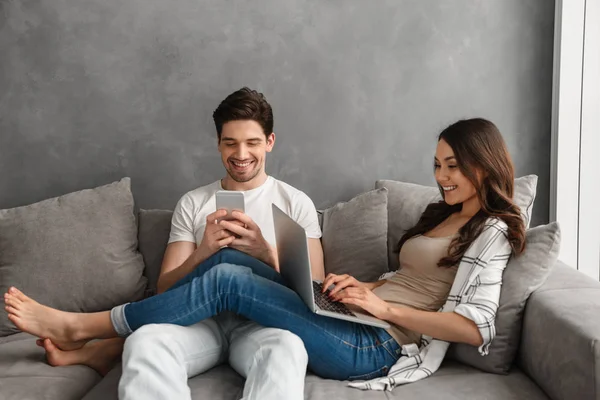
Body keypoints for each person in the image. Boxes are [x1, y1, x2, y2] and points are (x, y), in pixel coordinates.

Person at [4, 118, 526, 388]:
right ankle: (105, 348)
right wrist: (360, 290)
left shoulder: (494, 231)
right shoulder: (444, 215)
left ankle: (87, 327)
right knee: (228, 259)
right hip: (354, 316)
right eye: (437, 164)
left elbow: (476, 326)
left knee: (228, 279)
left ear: (485, 163)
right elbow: (412, 278)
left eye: (453, 165)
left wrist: (382, 307)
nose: (441, 177)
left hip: (378, 345)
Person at [21, 87, 326, 400]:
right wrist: (204, 252)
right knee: (146, 341)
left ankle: (91, 333)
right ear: (218, 144)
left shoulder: (294, 203)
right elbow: (166, 288)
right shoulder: (194, 202)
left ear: (270, 142)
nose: (241, 154)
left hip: (262, 327)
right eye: (230, 143)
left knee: (288, 348)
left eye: (253, 143)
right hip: (199, 323)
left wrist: (265, 253)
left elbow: (314, 295)